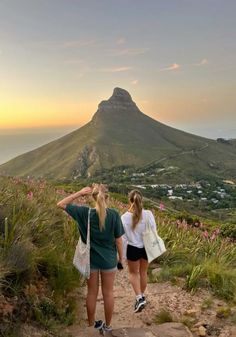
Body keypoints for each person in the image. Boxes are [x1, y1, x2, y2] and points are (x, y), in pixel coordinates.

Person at [57, 184, 124, 333]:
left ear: (93, 198)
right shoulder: (114, 215)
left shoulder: (84, 213)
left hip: (90, 260)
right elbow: (119, 240)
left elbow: (60, 204)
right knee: (108, 293)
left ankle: (92, 325)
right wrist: (121, 259)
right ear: (107, 197)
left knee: (92, 292)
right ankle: (107, 326)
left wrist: (79, 193)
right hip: (109, 261)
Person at [121, 189, 157, 313]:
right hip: (146, 247)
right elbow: (154, 231)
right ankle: (141, 296)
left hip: (132, 248)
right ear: (141, 200)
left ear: (129, 201)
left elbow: (123, 238)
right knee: (143, 272)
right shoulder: (148, 214)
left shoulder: (124, 218)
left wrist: (123, 255)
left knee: (133, 273)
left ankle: (139, 297)